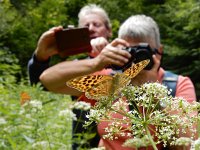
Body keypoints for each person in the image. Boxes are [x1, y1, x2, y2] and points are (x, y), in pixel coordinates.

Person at [40, 14, 197, 150]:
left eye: (142, 53)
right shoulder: (111, 80)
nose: (135, 61)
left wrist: (153, 92)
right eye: (130, 53)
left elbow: (184, 145)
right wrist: (97, 62)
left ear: (159, 51)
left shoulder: (177, 85)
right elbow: (47, 80)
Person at [27, 4, 112, 149]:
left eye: (96, 24)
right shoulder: (76, 66)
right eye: (86, 26)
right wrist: (40, 56)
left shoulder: (125, 58)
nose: (91, 28)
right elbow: (40, 84)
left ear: (108, 31)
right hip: (83, 144)